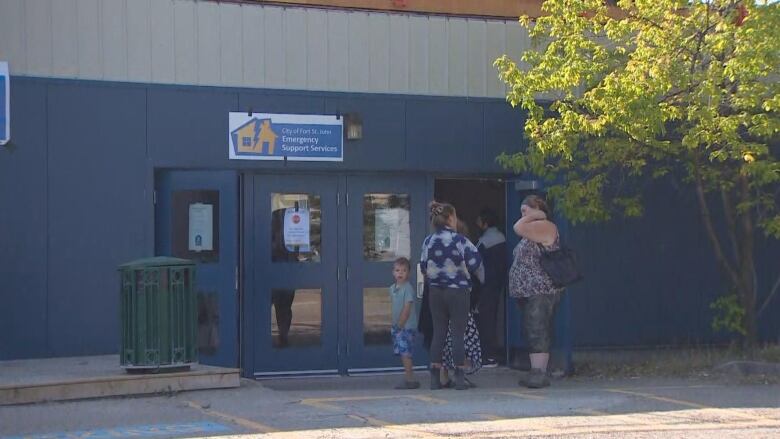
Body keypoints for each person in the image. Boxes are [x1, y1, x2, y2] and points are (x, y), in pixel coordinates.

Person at [421, 201, 484, 390]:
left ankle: (434, 378)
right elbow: (475, 263)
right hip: (458, 291)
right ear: (450, 218)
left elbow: (423, 266)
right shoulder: (460, 240)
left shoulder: (428, 241)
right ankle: (459, 377)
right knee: (457, 332)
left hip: (435, 292)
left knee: (438, 332)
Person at [509, 194, 562, 389]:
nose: (522, 215)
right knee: (531, 329)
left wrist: (537, 215)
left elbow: (518, 227)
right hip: (527, 291)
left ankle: (539, 372)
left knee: (537, 329)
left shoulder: (545, 226)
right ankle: (535, 370)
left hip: (541, 289)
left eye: (525, 211)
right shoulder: (530, 230)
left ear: (537, 209)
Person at [474, 208, 507, 367]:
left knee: (486, 318)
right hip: (502, 284)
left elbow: (476, 264)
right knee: (497, 318)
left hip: (487, 285)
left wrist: (479, 283)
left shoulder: (484, 242)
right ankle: (498, 352)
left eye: (479, 220)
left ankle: (488, 355)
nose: (477, 223)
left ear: (485, 224)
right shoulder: (503, 238)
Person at [390, 257, 420, 389]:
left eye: (404, 270)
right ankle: (408, 377)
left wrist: (400, 325)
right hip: (397, 326)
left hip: (406, 327)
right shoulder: (392, 288)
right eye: (397, 270)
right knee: (402, 353)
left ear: (408, 273)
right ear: (393, 273)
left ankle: (410, 379)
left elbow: (407, 309)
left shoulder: (408, 289)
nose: (400, 273)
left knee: (405, 352)